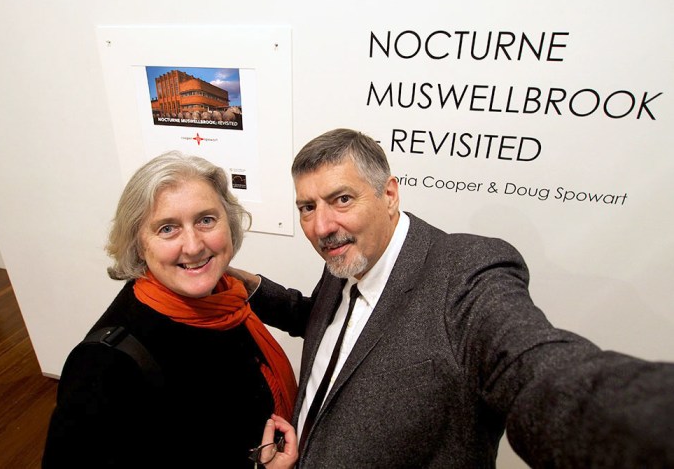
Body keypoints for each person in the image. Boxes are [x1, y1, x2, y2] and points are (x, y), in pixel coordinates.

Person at [231, 128, 674, 468]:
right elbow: (328, 322)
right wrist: (240, 282)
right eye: (307, 207)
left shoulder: (467, 272)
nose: (322, 226)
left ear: (389, 195)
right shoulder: (349, 254)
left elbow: (534, 371)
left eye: (341, 199)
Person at [42, 151, 297, 468]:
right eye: (167, 228)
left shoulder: (226, 300)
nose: (193, 246)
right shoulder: (104, 365)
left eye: (206, 220)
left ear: (229, 224)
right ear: (139, 244)